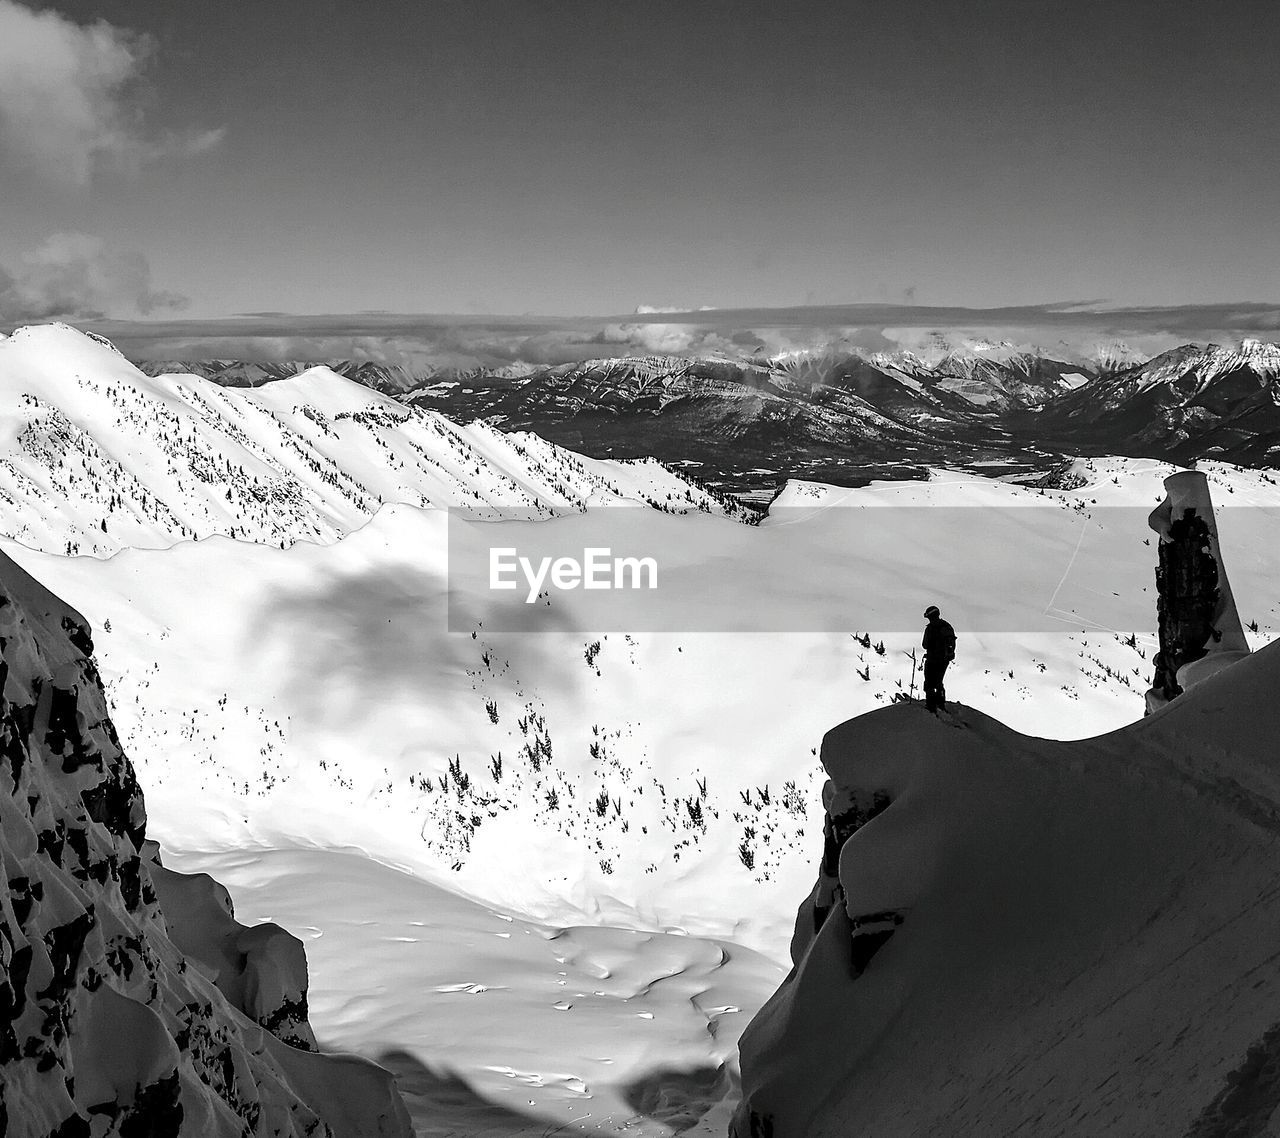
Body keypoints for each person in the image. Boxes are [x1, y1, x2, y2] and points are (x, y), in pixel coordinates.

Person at [921, 605, 955, 713]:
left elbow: (925, 645)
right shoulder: (947, 626)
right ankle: (941, 703)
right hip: (944, 660)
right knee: (939, 681)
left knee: (929, 682)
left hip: (932, 659)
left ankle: (931, 705)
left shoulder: (930, 628)